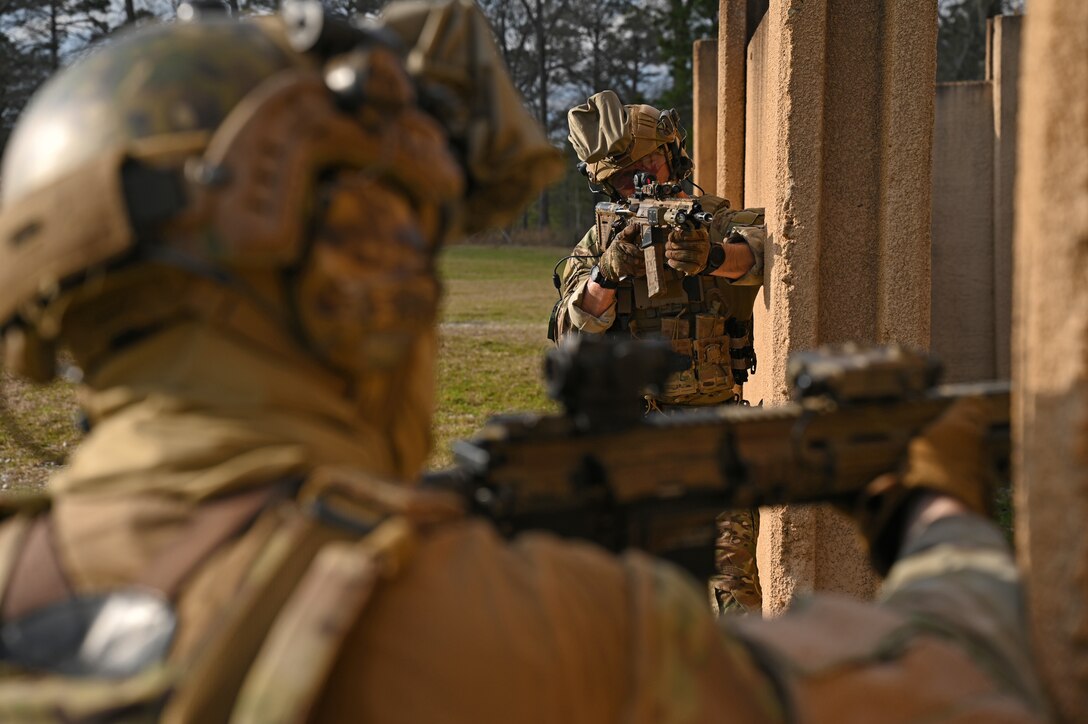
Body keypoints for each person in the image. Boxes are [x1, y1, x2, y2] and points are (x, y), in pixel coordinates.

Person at [0, 3, 1047, 722]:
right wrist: (935, 508)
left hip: (711, 402)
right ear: (362, 277)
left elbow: (749, 258)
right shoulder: (519, 628)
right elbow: (946, 685)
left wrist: (698, 252)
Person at [552, 90, 767, 615]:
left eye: (649, 167)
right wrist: (608, 272)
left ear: (673, 157)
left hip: (711, 435)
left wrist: (710, 255)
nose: (642, 184)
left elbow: (758, 255)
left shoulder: (714, 221)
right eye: (625, 178)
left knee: (732, 597)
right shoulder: (595, 246)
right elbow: (569, 334)